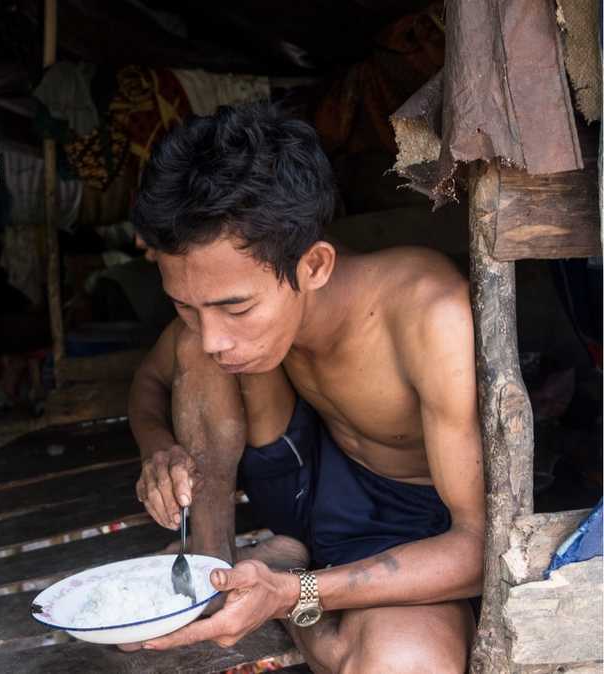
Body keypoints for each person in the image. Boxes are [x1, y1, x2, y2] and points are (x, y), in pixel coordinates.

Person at [125, 103, 483, 670]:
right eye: (184, 306)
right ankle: (211, 566)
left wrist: (297, 592)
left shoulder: (428, 314)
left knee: (404, 664)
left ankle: (278, 580)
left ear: (314, 266)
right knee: (194, 351)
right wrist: (158, 449)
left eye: (235, 307)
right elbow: (148, 381)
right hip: (297, 485)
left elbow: (479, 548)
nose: (215, 335)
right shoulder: (213, 317)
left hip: (407, 529)